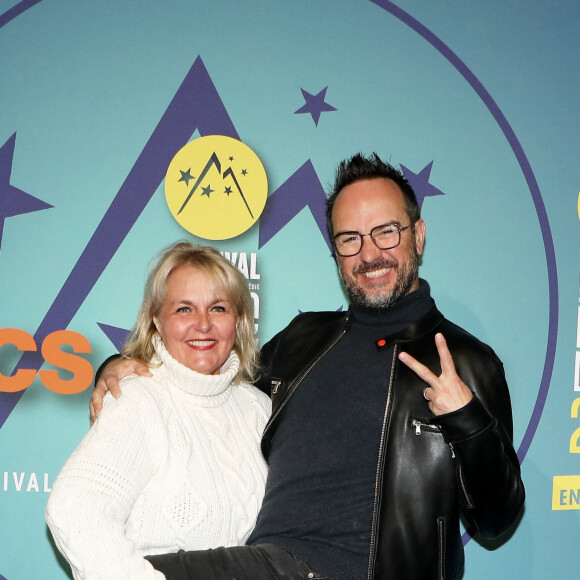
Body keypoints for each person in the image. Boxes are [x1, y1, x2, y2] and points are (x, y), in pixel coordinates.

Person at [91, 154, 525, 579]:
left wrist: (468, 420)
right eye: (350, 238)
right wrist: (119, 364)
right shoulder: (303, 340)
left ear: (419, 235)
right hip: (271, 561)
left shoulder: (467, 362)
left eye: (386, 232)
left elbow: (496, 520)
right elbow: (210, 381)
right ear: (335, 251)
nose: (369, 254)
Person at [46, 242, 271, 579]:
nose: (203, 324)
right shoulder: (138, 399)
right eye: (184, 309)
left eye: (218, 308)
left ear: (238, 320)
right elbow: (75, 509)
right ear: (156, 321)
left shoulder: (260, 408)